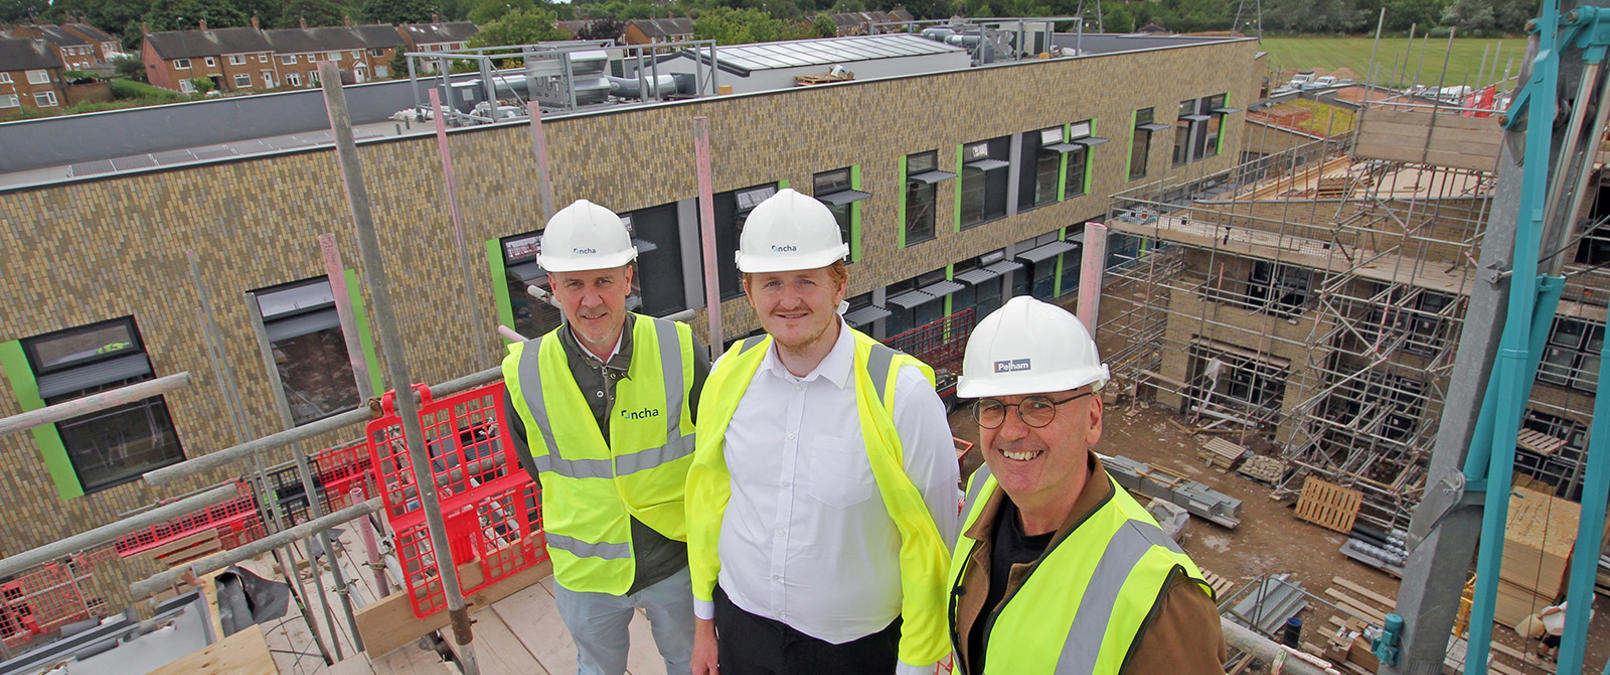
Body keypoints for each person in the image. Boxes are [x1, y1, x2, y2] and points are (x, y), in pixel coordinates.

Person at [684, 189, 959, 675]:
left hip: (853, 650)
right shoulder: (729, 374)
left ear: (839, 285)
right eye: (771, 283)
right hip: (743, 625)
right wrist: (706, 623)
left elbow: (935, 542)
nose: (788, 300)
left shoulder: (902, 394)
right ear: (748, 292)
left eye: (806, 281)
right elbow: (709, 501)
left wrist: (917, 664)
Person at [949, 296, 1227, 675]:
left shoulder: (1162, 596)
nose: (1011, 431)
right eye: (993, 405)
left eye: (1039, 404)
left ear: (1093, 418)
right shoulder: (984, 487)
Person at [502, 199, 709, 675]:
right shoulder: (525, 373)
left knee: (689, 664)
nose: (590, 300)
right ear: (552, 286)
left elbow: (712, 449)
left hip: (673, 558)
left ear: (628, 278)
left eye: (603, 281)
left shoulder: (676, 347)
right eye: (574, 284)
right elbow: (537, 465)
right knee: (597, 669)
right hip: (587, 569)